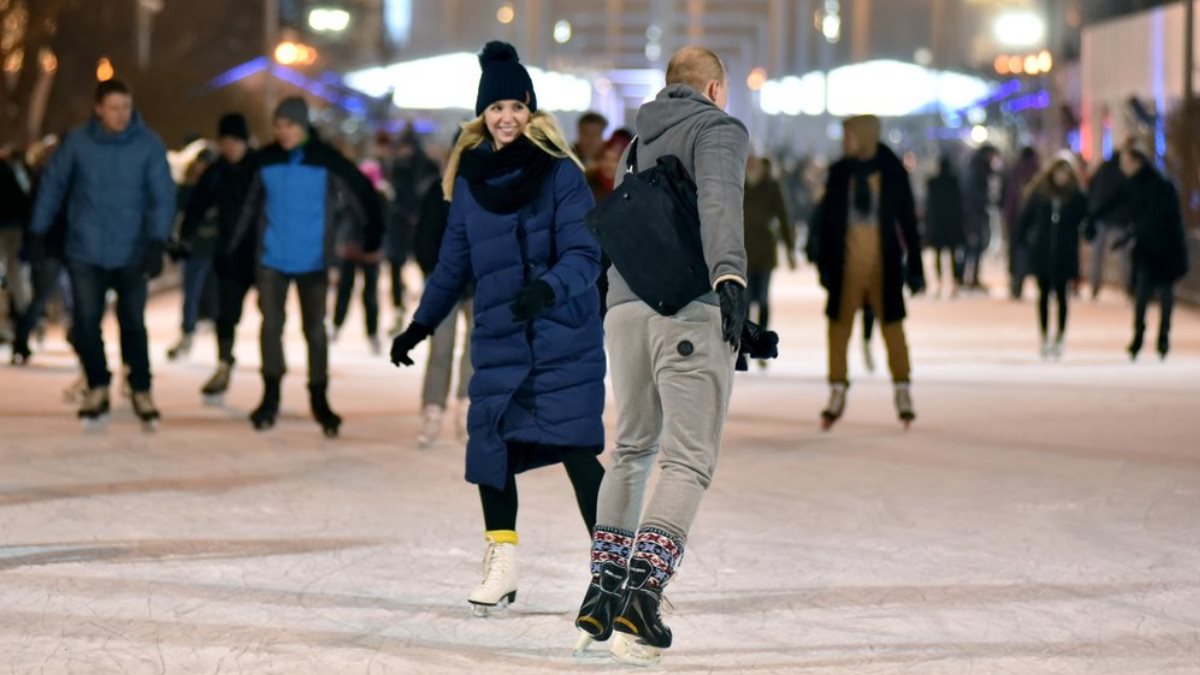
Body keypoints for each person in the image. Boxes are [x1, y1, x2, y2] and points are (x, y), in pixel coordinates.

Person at [389, 42, 607, 617]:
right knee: (491, 448)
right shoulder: (469, 181)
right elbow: (453, 264)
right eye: (496, 108)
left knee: (577, 450)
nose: (506, 118)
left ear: (531, 110)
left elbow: (586, 254)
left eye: (516, 106)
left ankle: (612, 570)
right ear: (482, 115)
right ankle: (502, 565)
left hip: (563, 337)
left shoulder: (560, 173)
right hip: (502, 335)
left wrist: (548, 289)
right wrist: (420, 325)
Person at [570, 46, 749, 666]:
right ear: (715, 88)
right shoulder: (717, 129)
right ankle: (642, 597)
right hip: (686, 308)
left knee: (631, 450)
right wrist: (730, 277)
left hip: (625, 311)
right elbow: (719, 202)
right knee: (688, 458)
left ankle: (603, 589)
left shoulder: (635, 143)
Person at [229, 97, 384, 437]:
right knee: (271, 326)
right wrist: (231, 249)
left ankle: (319, 397)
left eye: (289, 125)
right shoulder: (264, 160)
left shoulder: (325, 159)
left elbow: (362, 193)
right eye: (278, 126)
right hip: (271, 259)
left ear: (303, 126)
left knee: (315, 330)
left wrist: (372, 236)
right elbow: (243, 207)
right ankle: (270, 395)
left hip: (313, 260)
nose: (282, 132)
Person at [28, 80, 175, 429]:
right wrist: (38, 230)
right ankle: (97, 385)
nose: (121, 114)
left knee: (132, 321)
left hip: (132, 249)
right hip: (85, 248)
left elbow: (162, 195)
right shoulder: (78, 143)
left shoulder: (147, 144)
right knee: (86, 321)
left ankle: (141, 387)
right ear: (99, 109)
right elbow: (53, 185)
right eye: (114, 108)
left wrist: (157, 241)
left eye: (126, 107)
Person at [815, 114, 924, 431]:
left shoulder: (892, 172)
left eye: (849, 136)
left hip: (883, 266)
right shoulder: (840, 173)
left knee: (893, 328)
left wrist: (915, 265)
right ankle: (837, 389)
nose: (845, 142)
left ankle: (902, 389)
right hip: (846, 267)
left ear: (864, 137)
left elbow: (908, 221)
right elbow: (826, 222)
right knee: (838, 330)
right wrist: (823, 262)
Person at [175, 113, 258, 403]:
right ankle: (224, 363)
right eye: (225, 141)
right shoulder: (216, 172)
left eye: (235, 141)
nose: (230, 147)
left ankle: (273, 376)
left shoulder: (260, 167)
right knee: (226, 313)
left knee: (272, 316)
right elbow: (197, 206)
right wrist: (185, 236)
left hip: (261, 254)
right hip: (228, 254)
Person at [411, 156, 474, 449]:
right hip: (445, 284)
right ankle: (432, 409)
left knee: (476, 348)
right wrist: (433, 273)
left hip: (482, 283)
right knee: (441, 347)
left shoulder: (496, 190)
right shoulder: (439, 192)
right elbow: (424, 237)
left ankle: (467, 407)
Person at [1110, 141, 1189, 360]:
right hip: (1146, 248)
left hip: (1165, 248)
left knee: (1163, 293)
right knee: (1143, 293)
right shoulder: (1133, 184)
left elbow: (1157, 217)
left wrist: (1131, 234)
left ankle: (1162, 337)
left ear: (1137, 162)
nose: (1122, 167)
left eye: (1126, 162)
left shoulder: (1159, 185)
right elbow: (1116, 204)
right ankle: (1140, 336)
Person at [1016, 155, 1087, 359]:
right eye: (1058, 173)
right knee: (1044, 295)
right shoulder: (1040, 194)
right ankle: (1045, 336)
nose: (1061, 177)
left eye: (1065, 173)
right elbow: (1026, 219)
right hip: (1043, 253)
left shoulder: (1076, 197)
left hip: (1065, 254)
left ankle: (1060, 337)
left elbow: (1087, 219)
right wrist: (1021, 240)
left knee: (1063, 296)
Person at [331, 145, 389, 355]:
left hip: (368, 250)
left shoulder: (380, 198)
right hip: (352, 247)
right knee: (347, 290)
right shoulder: (350, 196)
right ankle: (337, 327)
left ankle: (371, 333)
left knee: (368, 294)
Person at [386, 129, 440, 335]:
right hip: (409, 224)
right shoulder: (405, 166)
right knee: (401, 267)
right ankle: (404, 309)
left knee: (419, 267)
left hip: (415, 224)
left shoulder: (414, 167)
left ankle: (415, 310)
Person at [165, 151, 217, 361]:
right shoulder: (186, 190)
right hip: (194, 249)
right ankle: (187, 332)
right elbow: (174, 216)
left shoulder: (220, 188)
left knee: (216, 293)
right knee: (191, 292)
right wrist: (174, 241)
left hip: (216, 249)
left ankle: (220, 340)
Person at [742, 155, 795, 342]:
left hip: (765, 252)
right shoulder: (738, 183)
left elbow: (784, 216)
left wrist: (790, 248)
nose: (750, 164)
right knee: (746, 299)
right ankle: (747, 341)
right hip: (743, 252)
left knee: (763, 298)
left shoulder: (772, 186)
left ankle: (762, 338)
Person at [1086, 150, 1131, 299]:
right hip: (1119, 220)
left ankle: (1095, 285)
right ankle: (1128, 286)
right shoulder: (1122, 175)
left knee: (1097, 254)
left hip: (1101, 218)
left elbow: (1091, 190)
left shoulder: (1101, 172)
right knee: (1123, 255)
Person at [0, 143, 31, 342]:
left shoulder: (16, 171)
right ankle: (20, 321)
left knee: (14, 276)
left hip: (13, 228)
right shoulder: (17, 171)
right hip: (15, 227)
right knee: (16, 276)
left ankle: (17, 322)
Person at [924, 155, 966, 298]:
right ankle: (953, 282)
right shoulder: (953, 183)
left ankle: (940, 281)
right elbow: (959, 205)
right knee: (952, 254)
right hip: (951, 224)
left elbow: (929, 206)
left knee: (937, 254)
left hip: (937, 224)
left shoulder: (933, 184)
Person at [1002, 147, 1041, 299]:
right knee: (1028, 251)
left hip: (1013, 218)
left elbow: (1006, 195)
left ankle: (1016, 283)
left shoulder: (1014, 171)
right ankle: (1024, 281)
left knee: (1015, 250)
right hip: (1031, 220)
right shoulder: (1036, 172)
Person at [963, 144, 998, 292]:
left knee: (976, 246)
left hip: (976, 213)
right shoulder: (978, 170)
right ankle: (969, 278)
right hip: (974, 214)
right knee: (975, 245)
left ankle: (970, 277)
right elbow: (973, 194)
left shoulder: (978, 168)